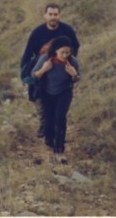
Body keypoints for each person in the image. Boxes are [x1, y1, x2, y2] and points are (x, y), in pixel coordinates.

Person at [20, 4, 80, 136]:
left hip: (61, 69)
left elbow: (75, 46)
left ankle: (56, 128)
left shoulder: (67, 30)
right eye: (50, 14)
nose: (53, 17)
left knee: (60, 98)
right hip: (42, 67)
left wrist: (70, 62)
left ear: (59, 15)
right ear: (45, 16)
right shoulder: (37, 33)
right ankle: (44, 124)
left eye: (56, 14)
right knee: (38, 96)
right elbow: (28, 53)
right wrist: (24, 74)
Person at [32, 35, 80, 163]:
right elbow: (34, 75)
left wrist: (74, 74)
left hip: (64, 92)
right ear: (55, 51)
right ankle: (49, 140)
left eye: (67, 52)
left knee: (60, 119)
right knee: (49, 119)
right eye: (62, 52)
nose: (65, 55)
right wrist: (44, 69)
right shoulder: (45, 59)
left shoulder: (72, 61)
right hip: (47, 93)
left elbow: (76, 79)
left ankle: (59, 150)